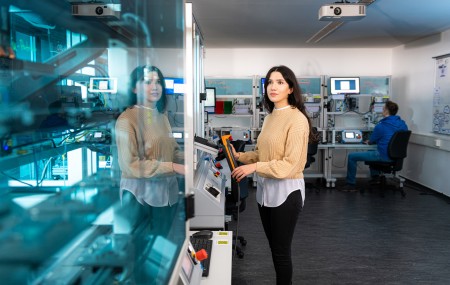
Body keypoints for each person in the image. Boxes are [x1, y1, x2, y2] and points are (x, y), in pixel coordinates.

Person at [230, 65, 315, 285]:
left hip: (286, 192)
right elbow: (261, 153)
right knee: (274, 247)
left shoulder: (297, 119)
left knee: (281, 252)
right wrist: (239, 155)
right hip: (266, 190)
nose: (273, 87)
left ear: (290, 88)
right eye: (269, 82)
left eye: (279, 82)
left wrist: (254, 168)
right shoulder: (269, 118)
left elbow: (290, 164)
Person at [114, 65, 185, 283]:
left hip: (165, 193)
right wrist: (173, 167)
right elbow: (131, 165)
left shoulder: (160, 117)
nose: (155, 87)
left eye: (158, 82)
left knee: (159, 250)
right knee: (139, 254)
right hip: (140, 197)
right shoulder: (127, 120)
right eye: (147, 82)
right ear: (134, 88)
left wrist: (191, 160)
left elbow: (172, 150)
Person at [342, 100, 408, 190]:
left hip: (383, 156)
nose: (382, 110)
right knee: (371, 151)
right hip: (397, 157)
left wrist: (368, 141)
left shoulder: (381, 125)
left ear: (386, 111)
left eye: (383, 108)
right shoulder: (403, 124)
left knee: (352, 156)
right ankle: (375, 177)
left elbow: (372, 140)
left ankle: (350, 184)